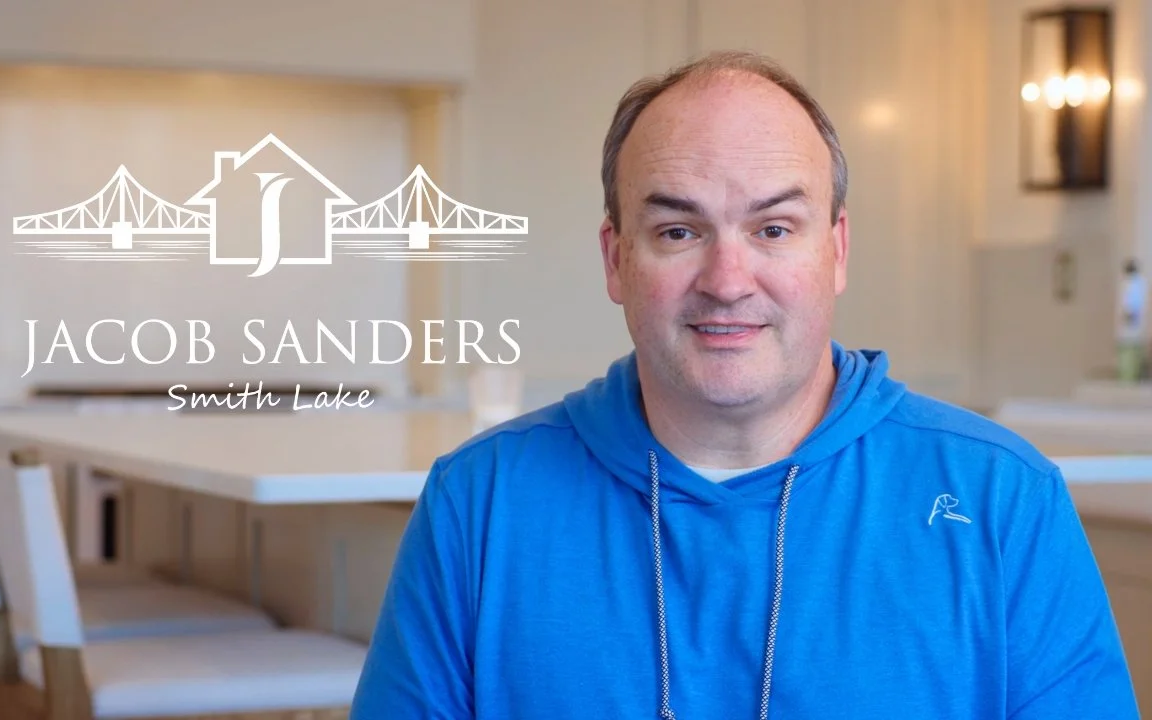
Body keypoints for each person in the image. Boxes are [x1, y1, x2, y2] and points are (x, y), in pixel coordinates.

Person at [349, 51, 1140, 719]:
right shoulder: (479, 503)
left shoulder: (1003, 497)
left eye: (773, 229)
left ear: (836, 251)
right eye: (678, 231)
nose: (727, 281)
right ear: (616, 259)